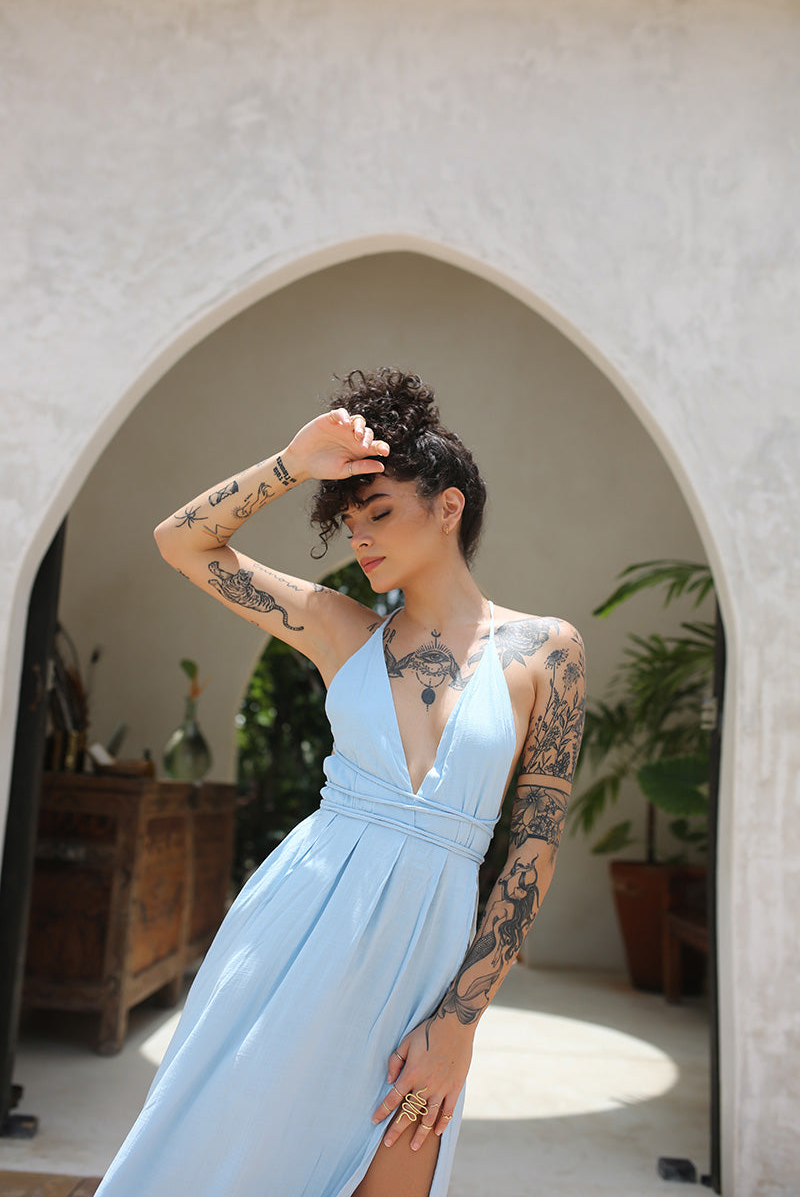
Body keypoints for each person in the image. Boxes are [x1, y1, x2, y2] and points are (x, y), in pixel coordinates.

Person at [94, 368, 586, 1197]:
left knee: (395, 1168)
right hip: (295, 936)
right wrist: (293, 465)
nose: (360, 538)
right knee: (221, 1166)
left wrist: (459, 1023)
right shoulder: (337, 628)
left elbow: (534, 850)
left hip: (426, 966)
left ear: (450, 505)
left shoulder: (548, 653)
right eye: (350, 523)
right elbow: (183, 543)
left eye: (380, 513)